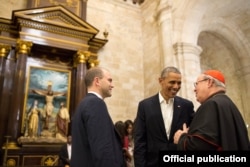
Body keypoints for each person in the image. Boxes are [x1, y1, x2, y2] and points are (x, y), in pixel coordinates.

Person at [173, 70, 250, 150]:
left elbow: (199, 146)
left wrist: (181, 138)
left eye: (197, 84)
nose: (194, 89)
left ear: (209, 82)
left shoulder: (211, 105)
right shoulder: (229, 104)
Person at [134, 66, 194, 167]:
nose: (176, 86)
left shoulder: (186, 106)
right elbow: (140, 140)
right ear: (161, 81)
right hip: (153, 163)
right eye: (172, 82)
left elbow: (196, 131)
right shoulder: (145, 106)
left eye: (179, 83)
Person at [71, 67, 124, 167]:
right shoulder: (95, 103)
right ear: (97, 81)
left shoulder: (84, 103)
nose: (112, 85)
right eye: (109, 80)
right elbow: (103, 149)